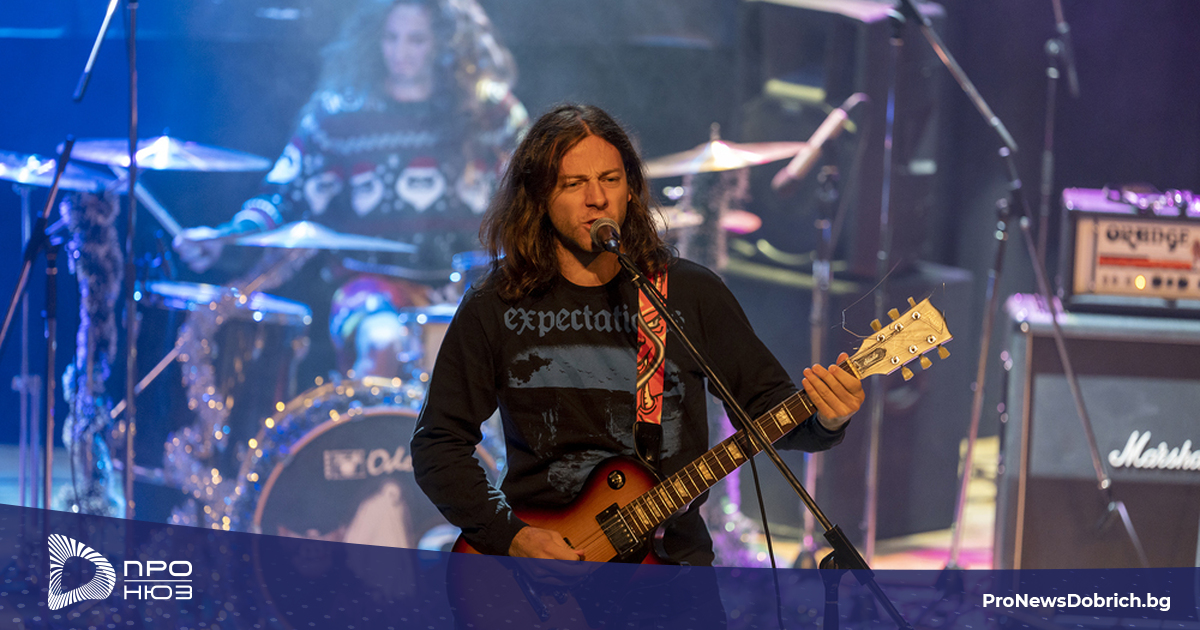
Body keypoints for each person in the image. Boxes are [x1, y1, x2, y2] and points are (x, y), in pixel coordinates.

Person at [410, 103, 864, 592]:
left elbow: (770, 410)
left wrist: (827, 418)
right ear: (538, 196)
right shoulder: (497, 303)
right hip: (539, 579)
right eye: (573, 184)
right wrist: (512, 537)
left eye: (610, 179)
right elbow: (438, 444)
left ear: (631, 189)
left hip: (673, 575)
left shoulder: (689, 293)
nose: (597, 199)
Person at [173, 0, 528, 377]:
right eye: (390, 38)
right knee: (382, 341)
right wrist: (227, 236)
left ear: (444, 42)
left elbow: (536, 188)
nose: (401, 52)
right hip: (368, 287)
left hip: (465, 292)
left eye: (416, 40)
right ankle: (370, 414)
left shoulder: (489, 113)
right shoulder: (339, 115)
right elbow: (284, 195)